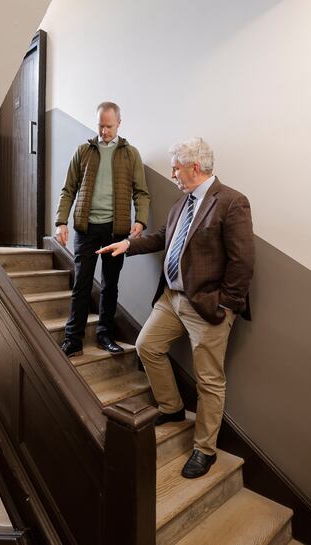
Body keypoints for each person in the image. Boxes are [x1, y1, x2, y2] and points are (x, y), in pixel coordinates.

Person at [97, 137, 254, 479]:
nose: (172, 175)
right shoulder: (182, 203)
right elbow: (162, 238)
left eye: (176, 169)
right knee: (146, 346)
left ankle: (204, 449)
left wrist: (226, 306)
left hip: (208, 306)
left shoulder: (231, 202)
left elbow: (242, 262)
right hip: (172, 298)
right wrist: (127, 245)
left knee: (209, 380)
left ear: (194, 168)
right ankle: (172, 407)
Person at [54, 102, 151, 357]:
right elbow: (68, 190)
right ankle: (73, 339)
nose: (104, 131)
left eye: (109, 126)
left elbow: (141, 193)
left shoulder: (131, 154)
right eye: (100, 126)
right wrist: (61, 222)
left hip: (115, 231)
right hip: (86, 229)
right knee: (81, 284)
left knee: (110, 285)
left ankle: (105, 335)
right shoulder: (83, 150)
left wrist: (140, 221)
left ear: (119, 124)